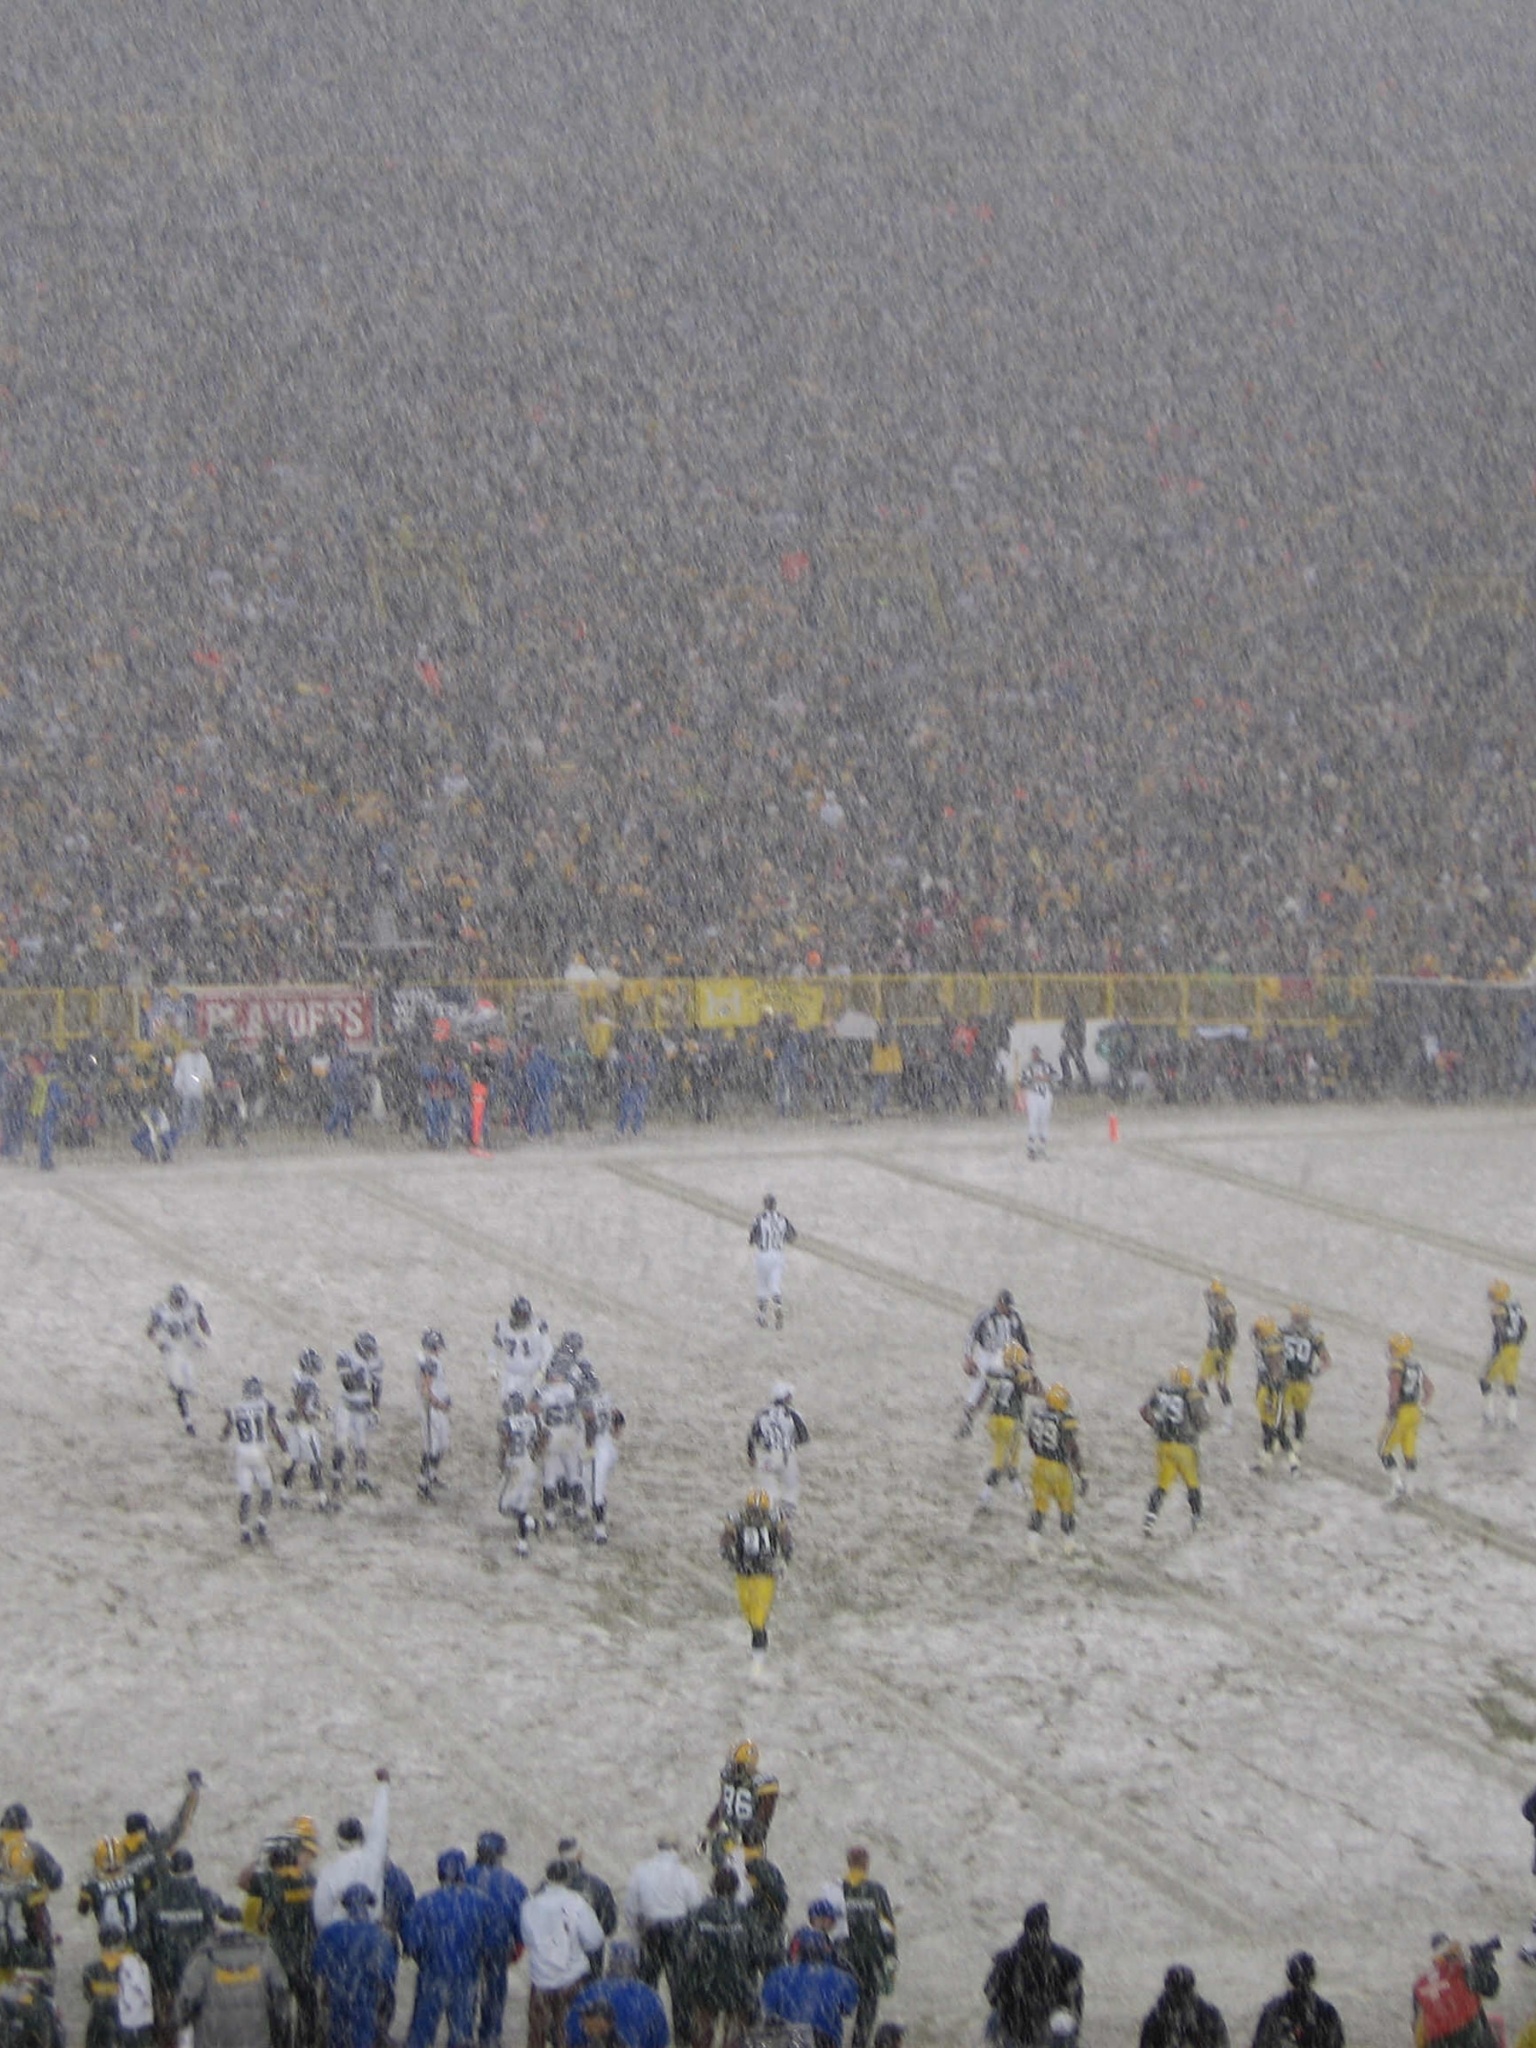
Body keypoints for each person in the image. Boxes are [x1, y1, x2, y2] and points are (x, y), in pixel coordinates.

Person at [237, 1818, 322, 2048]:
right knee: (308, 2009)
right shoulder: (310, 1881)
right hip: (305, 1957)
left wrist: (257, 1858)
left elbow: (242, 1880)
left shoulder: (270, 1881)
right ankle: (305, 2043)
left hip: (279, 1959)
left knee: (278, 2013)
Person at [400, 1850, 495, 2048]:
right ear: (463, 1872)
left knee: (422, 2029)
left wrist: (425, 1958)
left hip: (432, 1975)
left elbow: (411, 1943)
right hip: (466, 1975)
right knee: (462, 2031)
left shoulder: (426, 1903)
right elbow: (492, 1943)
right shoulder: (482, 1903)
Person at [520, 1861, 607, 2048]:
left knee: (537, 2032)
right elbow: (594, 1939)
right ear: (568, 1878)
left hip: (541, 1978)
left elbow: (527, 1938)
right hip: (571, 1977)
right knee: (567, 2029)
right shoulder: (577, 1903)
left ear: (547, 1878)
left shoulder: (530, 1904)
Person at [141, 1850, 222, 2048]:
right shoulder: (206, 1897)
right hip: (198, 1975)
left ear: (170, 1869)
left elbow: (143, 1943)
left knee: (169, 2028)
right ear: (192, 1869)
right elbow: (218, 1929)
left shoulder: (153, 1900)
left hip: (165, 1977)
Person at [680, 1866, 766, 2048]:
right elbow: (758, 1952)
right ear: (736, 1888)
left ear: (713, 1887)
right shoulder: (746, 1915)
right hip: (738, 1984)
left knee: (703, 2033)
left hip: (706, 1983)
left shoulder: (698, 1913)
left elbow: (686, 1950)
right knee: (735, 2035)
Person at [177, 1913, 292, 2048]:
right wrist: (280, 2024)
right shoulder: (265, 1954)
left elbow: (186, 2001)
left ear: (216, 1927)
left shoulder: (203, 1959)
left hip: (213, 2040)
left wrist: (180, 2020)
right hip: (255, 2039)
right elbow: (281, 1994)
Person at [983, 1903, 1083, 2048]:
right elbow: (991, 1992)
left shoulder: (1063, 1960)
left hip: (1043, 2023)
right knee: (995, 2020)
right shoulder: (1009, 1960)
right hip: (1017, 2024)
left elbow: (991, 1992)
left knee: (1063, 2023)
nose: (1036, 1938)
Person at [625, 1839, 702, 2016]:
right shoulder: (685, 1873)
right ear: (676, 1848)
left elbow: (631, 1906)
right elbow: (695, 1908)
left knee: (647, 1982)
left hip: (650, 1930)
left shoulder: (641, 1871)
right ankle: (682, 2033)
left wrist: (636, 1932)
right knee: (679, 1986)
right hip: (678, 1931)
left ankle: (647, 2023)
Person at [312, 1885, 396, 2048]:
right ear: (368, 1904)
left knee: (336, 2037)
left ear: (346, 1905)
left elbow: (317, 1966)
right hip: (366, 1998)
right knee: (362, 2038)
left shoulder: (330, 1932)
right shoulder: (380, 1936)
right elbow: (388, 1975)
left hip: (337, 1996)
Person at [466, 1834, 527, 2048]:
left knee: (467, 1989)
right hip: (498, 1944)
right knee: (495, 1991)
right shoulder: (513, 1883)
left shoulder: (463, 1876)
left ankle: (463, 2033)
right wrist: (519, 1944)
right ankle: (490, 2036)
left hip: (467, 1943)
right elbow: (521, 1918)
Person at [312, 1772, 392, 1933]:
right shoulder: (373, 1858)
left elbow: (320, 1917)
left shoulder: (328, 1873)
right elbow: (379, 1824)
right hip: (372, 1932)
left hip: (339, 1936)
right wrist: (383, 1787)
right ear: (362, 1837)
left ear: (338, 1841)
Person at [720, 1495, 793, 1666]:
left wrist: (786, 1552)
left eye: (760, 1511)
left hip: (765, 1573)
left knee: (759, 1616)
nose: (756, 1515)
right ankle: (758, 1648)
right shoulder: (737, 1521)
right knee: (747, 1610)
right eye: (753, 1510)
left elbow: (785, 1536)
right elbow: (727, 1537)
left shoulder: (775, 1521)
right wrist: (726, 1550)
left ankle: (758, 1660)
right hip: (743, 1572)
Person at [758, 1930, 858, 2048]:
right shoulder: (842, 1978)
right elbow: (848, 2008)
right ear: (826, 1950)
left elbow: (767, 2007)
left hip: (789, 2038)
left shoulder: (778, 1975)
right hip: (826, 2039)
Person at [1139, 1367, 1208, 1537]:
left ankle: (1149, 1519)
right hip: (1184, 1446)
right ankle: (1197, 1519)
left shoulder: (1161, 1389)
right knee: (1192, 1484)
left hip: (1163, 1445)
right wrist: (1196, 1428)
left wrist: (1156, 1425)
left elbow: (1144, 1411)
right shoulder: (1191, 1394)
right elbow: (1203, 1420)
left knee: (1161, 1485)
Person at [221, 1378, 288, 1548]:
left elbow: (226, 1432)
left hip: (242, 1452)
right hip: (259, 1451)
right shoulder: (266, 1405)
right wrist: (285, 1449)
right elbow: (274, 1429)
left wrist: (224, 1434)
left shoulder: (235, 1407)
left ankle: (244, 1530)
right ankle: (261, 1522)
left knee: (245, 1493)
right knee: (267, 1489)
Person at [838, 1852, 895, 2048]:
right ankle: (859, 2044)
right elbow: (888, 1927)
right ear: (866, 1864)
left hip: (844, 1957)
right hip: (871, 1958)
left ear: (848, 1863)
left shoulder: (838, 1888)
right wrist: (891, 1956)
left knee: (835, 2002)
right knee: (868, 2006)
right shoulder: (876, 1891)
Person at [0, 1803, 65, 1975]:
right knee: (41, 1929)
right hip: (27, 1927)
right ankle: (46, 1971)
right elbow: (56, 1880)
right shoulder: (33, 1849)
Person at [565, 1945, 668, 2048]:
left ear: (609, 1965)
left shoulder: (588, 1992)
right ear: (636, 1967)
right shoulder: (649, 1997)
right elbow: (660, 2038)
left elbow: (570, 2031)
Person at [1026, 1384, 1085, 1559]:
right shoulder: (1065, 1421)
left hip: (1038, 1464)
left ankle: (1032, 1546)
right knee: (1066, 1507)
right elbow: (1072, 1449)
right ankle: (1069, 1544)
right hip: (1058, 1468)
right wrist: (1081, 1474)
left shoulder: (1036, 1414)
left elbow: (1030, 1438)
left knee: (1039, 1507)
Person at [960, 1292, 1034, 1431]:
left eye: (1009, 1306)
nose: (1007, 1309)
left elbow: (1022, 1335)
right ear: (999, 1304)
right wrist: (968, 1357)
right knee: (979, 1384)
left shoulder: (1014, 1317)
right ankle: (968, 1418)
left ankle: (1005, 1413)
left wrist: (1029, 1352)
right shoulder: (985, 1317)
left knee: (1009, 1382)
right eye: (1005, 1305)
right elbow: (971, 1336)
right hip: (986, 1354)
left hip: (1005, 1354)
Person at [1411, 1935, 1500, 2048]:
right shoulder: (1463, 1973)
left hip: (1438, 2042)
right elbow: (1492, 1988)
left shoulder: (1420, 1984)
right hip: (1471, 2037)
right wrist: (1484, 1964)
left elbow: (1418, 2025)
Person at [146, 1284, 211, 1437]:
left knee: (188, 1385)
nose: (179, 1304)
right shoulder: (162, 1311)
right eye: (176, 1301)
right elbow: (150, 1331)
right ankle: (188, 1422)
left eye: (180, 1301)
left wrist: (205, 1332)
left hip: (187, 1348)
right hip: (172, 1349)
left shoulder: (193, 1306)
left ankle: (182, 1390)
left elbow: (202, 1321)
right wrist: (159, 1343)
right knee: (180, 1389)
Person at [1379, 1333, 1434, 1502]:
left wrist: (1392, 1409)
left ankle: (1397, 1487)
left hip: (1401, 1412)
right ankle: (1410, 1489)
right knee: (1409, 1452)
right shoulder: (1416, 1365)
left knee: (1383, 1450)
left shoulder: (1397, 1367)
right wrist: (1423, 1407)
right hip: (1415, 1412)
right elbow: (1429, 1389)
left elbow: (1394, 1391)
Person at [704, 1746, 780, 1869]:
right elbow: (721, 1807)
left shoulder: (763, 1784)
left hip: (748, 1844)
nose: (735, 1770)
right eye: (735, 1765)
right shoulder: (728, 1778)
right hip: (726, 1840)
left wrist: (750, 1836)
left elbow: (763, 1819)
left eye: (740, 1766)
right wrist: (708, 1831)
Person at [1250, 1952, 1344, 2048]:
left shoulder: (1272, 2011)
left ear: (1289, 1975)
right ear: (1313, 1975)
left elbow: (1259, 2043)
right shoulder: (1328, 2012)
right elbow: (1336, 2043)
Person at [1279, 1306, 1332, 1468]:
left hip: (1302, 1380)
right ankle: (1279, 1440)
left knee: (1298, 1413)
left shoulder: (1313, 1336)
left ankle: (1297, 1441)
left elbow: (1326, 1359)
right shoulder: (1283, 1332)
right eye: (1296, 1318)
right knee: (1281, 1411)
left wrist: (1316, 1371)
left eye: (1300, 1318)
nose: (1297, 1322)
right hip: (1287, 1379)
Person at [746, 1389, 810, 1519]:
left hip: (766, 1455)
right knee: (790, 1487)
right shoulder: (793, 1414)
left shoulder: (762, 1414)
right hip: (787, 1455)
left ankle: (767, 1515)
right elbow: (804, 1437)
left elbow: (752, 1436)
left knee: (768, 1488)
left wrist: (751, 1456)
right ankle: (786, 1519)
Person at [497, 1392, 546, 1555]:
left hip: (516, 1466)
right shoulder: (532, 1420)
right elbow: (544, 1436)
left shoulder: (507, 1422)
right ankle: (523, 1545)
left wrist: (502, 1463)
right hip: (529, 1464)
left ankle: (530, 1523)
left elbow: (505, 1443)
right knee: (522, 1505)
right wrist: (536, 1454)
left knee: (505, 1507)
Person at [282, 1354, 332, 1512]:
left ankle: (285, 1496)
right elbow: (307, 1410)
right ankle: (322, 1501)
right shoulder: (310, 1384)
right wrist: (323, 1415)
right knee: (315, 1465)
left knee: (292, 1462)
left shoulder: (299, 1379)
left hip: (296, 1428)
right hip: (306, 1429)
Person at [1138, 1964, 1228, 2048]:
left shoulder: (1209, 2016)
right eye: (1176, 1991)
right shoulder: (1155, 2019)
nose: (1180, 1996)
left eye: (1184, 1989)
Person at [582, 1391, 626, 1546]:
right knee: (591, 1489)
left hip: (597, 1452)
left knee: (594, 1493)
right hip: (609, 1450)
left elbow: (589, 1427)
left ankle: (600, 1532)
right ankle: (599, 1524)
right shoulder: (606, 1400)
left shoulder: (585, 1403)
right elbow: (619, 1421)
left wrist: (587, 1447)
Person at [490, 1299, 553, 1409]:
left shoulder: (538, 1327)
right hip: (510, 1374)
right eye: (521, 1317)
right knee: (508, 1405)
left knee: (529, 1405)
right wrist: (492, 1365)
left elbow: (548, 1350)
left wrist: (542, 1370)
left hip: (531, 1374)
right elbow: (496, 1347)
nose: (523, 1320)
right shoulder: (503, 1326)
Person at [333, 1349, 378, 1498]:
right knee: (341, 1444)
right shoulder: (348, 1358)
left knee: (361, 1445)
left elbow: (375, 1386)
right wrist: (364, 1383)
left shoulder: (368, 1364)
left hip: (361, 1408)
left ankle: (361, 1478)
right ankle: (337, 1479)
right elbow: (348, 1384)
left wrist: (373, 1408)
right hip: (346, 1408)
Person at [748, 1197, 798, 1331]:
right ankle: (778, 1307)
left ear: (765, 1205)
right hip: (778, 1254)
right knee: (775, 1284)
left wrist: (757, 1240)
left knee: (763, 1284)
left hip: (764, 1254)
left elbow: (752, 1238)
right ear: (775, 1205)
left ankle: (762, 1316)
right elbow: (792, 1236)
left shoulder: (759, 1219)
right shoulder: (782, 1219)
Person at [555, 1844, 617, 1948]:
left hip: (555, 1952)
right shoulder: (598, 1885)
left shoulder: (545, 1888)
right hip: (589, 1951)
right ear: (580, 1855)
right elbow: (609, 1925)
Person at [1483, 1281, 1526, 1429]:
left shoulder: (1499, 1311)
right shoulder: (1516, 1307)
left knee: (1485, 1379)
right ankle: (1512, 1416)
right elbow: (1523, 1326)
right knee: (1510, 1381)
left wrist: (1497, 1350)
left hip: (1504, 1349)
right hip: (1515, 1349)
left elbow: (1500, 1332)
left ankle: (1489, 1414)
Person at [1251, 1318, 1292, 1473]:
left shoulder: (1272, 1348)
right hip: (1266, 1386)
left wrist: (1270, 1394)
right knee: (1269, 1426)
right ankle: (1267, 1459)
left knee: (1274, 1428)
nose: (1256, 1334)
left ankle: (1292, 1463)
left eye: (1258, 1331)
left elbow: (1276, 1373)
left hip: (1274, 1390)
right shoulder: (1265, 1344)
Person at [417, 1331, 452, 1501]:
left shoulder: (433, 1361)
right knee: (431, 1449)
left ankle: (432, 1475)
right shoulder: (429, 1363)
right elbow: (425, 1390)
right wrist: (439, 1404)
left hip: (439, 1410)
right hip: (432, 1411)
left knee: (443, 1445)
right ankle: (423, 1486)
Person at [1197, 1281, 1238, 1417]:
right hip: (1212, 1348)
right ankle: (1206, 1412)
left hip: (1222, 1350)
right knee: (1201, 1381)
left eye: (1215, 1294)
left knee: (1221, 1385)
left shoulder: (1227, 1310)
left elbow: (1232, 1334)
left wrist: (1224, 1353)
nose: (1211, 1296)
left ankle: (1228, 1420)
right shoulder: (1214, 1304)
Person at [1021, 1048, 1053, 1161]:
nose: (1035, 1055)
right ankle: (1031, 1147)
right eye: (1033, 1053)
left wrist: (1047, 1078)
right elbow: (1023, 1081)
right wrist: (1033, 1079)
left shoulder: (1047, 1065)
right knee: (1033, 1119)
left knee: (1044, 1120)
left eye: (1037, 1053)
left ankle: (1042, 1146)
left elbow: (1057, 1076)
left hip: (1045, 1095)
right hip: (1033, 1095)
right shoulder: (1027, 1067)